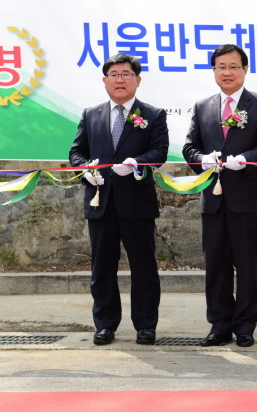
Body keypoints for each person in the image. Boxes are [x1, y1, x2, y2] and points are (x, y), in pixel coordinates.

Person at [182, 44, 257, 348]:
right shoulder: (202, 106)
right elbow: (189, 148)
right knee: (216, 264)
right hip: (213, 197)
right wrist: (201, 159)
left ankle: (245, 326)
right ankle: (219, 325)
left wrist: (245, 158)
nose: (227, 72)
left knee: (247, 265)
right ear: (214, 71)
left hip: (248, 197)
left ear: (244, 70)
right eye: (221, 67)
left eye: (233, 66)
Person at [69, 52, 168, 346]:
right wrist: (85, 170)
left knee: (143, 266)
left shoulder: (152, 115)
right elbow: (76, 153)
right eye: (114, 74)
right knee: (102, 267)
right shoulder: (90, 114)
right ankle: (105, 324)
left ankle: (146, 326)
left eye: (126, 74)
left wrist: (136, 162)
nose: (120, 79)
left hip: (136, 203)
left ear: (137, 80)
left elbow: (159, 153)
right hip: (100, 200)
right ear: (104, 81)